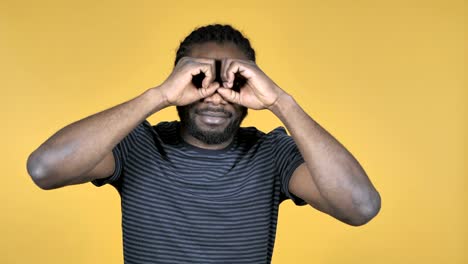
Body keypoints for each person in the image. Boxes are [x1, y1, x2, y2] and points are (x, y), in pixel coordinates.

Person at [27, 24, 381, 263]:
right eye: (200, 78)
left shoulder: (272, 154)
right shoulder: (138, 145)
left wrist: (281, 103)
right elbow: (45, 169)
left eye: (232, 81)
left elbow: (360, 206)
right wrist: (159, 95)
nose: (215, 96)